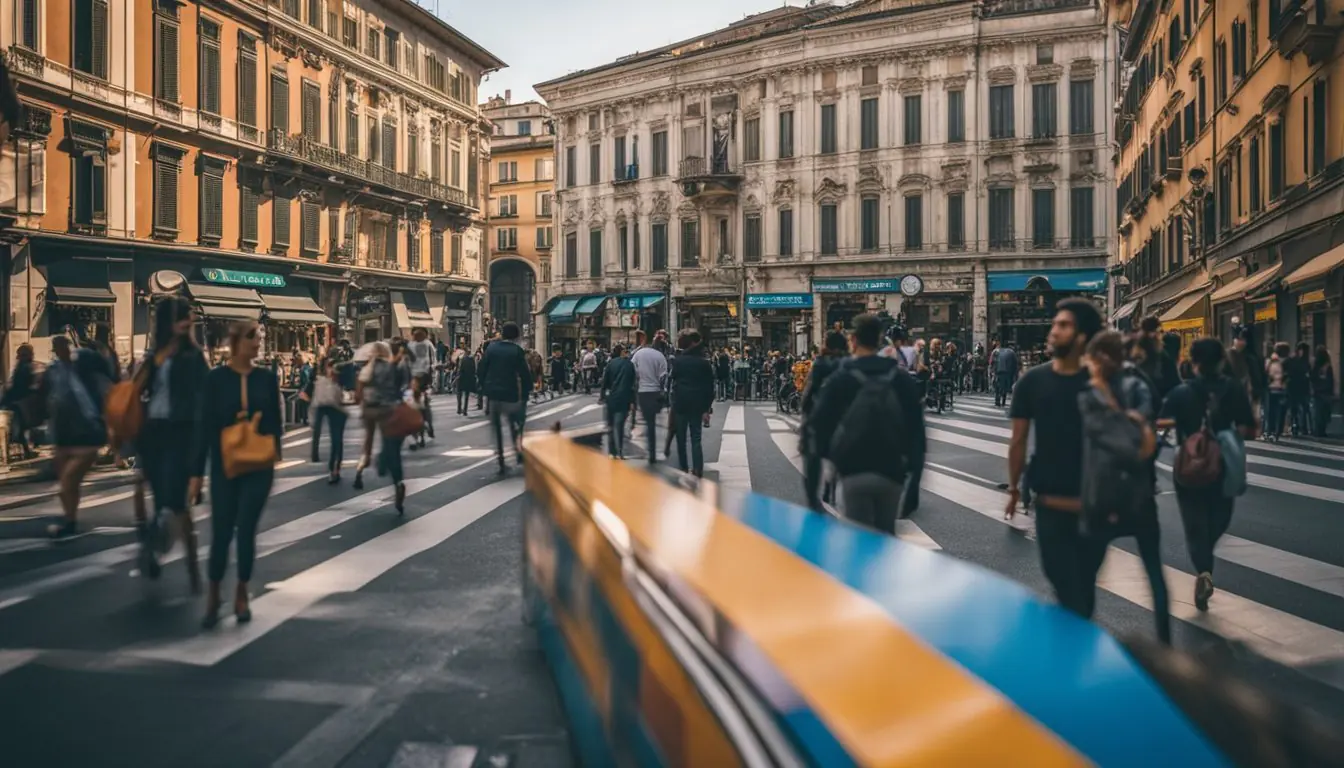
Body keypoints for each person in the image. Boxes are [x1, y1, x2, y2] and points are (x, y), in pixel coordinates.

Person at [1005, 298, 1106, 620]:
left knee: (1083, 589)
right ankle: (1078, 650)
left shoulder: (1104, 382)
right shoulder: (1032, 381)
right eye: (1055, 324)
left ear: (1082, 336)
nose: (1053, 331)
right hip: (1050, 504)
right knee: (1066, 586)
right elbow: (1018, 440)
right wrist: (1013, 489)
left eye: (1063, 326)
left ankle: (1075, 655)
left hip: (1095, 506)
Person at [190, 320, 282, 628]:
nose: (257, 343)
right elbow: (204, 426)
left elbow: (275, 423)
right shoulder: (215, 380)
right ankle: (214, 593)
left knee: (246, 530)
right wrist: (196, 473)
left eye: (260, 338)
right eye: (251, 338)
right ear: (234, 342)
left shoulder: (267, 378)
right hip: (224, 466)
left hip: (258, 466)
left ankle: (242, 592)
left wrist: (273, 455)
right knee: (220, 532)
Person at [1080, 330, 1170, 644]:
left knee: (1088, 573)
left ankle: (1078, 642)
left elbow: (1096, 434)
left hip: (1104, 495)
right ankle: (1165, 642)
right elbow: (1147, 426)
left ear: (1101, 358)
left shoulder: (1091, 394)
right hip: (1141, 491)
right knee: (1154, 572)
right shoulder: (1138, 385)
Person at [1158, 337, 1255, 611]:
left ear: (1194, 362)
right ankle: (1205, 560)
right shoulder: (1233, 389)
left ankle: (1204, 571)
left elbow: (1163, 420)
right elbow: (1250, 427)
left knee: (1194, 523)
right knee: (1219, 518)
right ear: (1222, 360)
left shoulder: (1181, 392)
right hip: (1223, 464)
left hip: (1189, 466)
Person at [809, 314, 926, 532]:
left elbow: (819, 426)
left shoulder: (841, 378)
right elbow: (917, 431)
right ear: (880, 340)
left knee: (858, 542)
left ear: (853, 340)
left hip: (853, 469)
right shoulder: (899, 378)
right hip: (892, 471)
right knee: (886, 537)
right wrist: (914, 482)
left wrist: (829, 468)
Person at [135, 295, 208, 586]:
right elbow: (137, 391)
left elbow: (204, 404)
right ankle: (154, 547)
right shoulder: (154, 357)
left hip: (182, 436)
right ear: (168, 321)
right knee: (153, 496)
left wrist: (199, 461)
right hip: (154, 435)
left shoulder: (194, 357)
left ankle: (187, 563)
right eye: (182, 316)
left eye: (189, 316)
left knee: (176, 505)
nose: (188, 321)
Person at [43, 335, 115, 539]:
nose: (58, 351)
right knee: (69, 485)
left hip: (88, 433)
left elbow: (104, 387)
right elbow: (52, 397)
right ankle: (70, 520)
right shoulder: (55, 370)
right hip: (64, 435)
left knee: (67, 482)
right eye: (55, 348)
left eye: (61, 347)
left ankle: (69, 522)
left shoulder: (85, 365)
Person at [799, 330, 849, 511]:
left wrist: (804, 411)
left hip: (819, 415)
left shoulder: (820, 363)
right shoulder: (847, 363)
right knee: (835, 454)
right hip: (841, 416)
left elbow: (810, 391)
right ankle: (830, 483)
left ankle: (813, 499)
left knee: (812, 457)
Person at [477, 322, 532, 473]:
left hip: (493, 395)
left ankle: (501, 460)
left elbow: (482, 368)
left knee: (496, 428)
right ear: (516, 336)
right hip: (511, 393)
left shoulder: (491, 348)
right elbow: (524, 373)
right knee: (514, 424)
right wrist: (527, 391)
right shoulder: (517, 351)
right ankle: (518, 452)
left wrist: (483, 386)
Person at [669, 331, 715, 477]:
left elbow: (672, 380)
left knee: (681, 438)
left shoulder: (678, 361)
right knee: (696, 438)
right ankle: (698, 469)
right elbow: (709, 387)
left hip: (681, 403)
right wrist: (707, 409)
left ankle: (683, 467)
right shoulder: (704, 363)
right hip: (698, 404)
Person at [631, 335, 670, 464]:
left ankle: (650, 450)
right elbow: (664, 377)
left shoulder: (639, 353)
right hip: (655, 392)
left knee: (648, 421)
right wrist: (663, 391)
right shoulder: (661, 357)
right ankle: (652, 450)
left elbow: (633, 372)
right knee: (652, 422)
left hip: (643, 392)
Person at [311, 358, 348, 484]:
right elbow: (315, 396)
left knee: (337, 440)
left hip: (338, 411)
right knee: (334, 438)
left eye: (333, 367)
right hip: (325, 407)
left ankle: (335, 469)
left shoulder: (341, 380)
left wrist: (337, 384)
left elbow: (345, 396)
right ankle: (333, 468)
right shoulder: (319, 380)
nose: (331, 370)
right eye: (329, 367)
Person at [1, 344, 39, 458]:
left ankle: (26, 450)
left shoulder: (20, 367)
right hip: (18, 401)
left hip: (15, 400)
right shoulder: (25, 367)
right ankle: (27, 450)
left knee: (21, 427)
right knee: (21, 426)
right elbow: (22, 386)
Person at [599, 344, 636, 459]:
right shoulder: (629, 365)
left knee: (610, 425)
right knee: (619, 425)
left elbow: (605, 382)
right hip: (624, 398)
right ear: (622, 352)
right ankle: (620, 451)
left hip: (611, 397)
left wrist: (602, 395)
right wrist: (632, 401)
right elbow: (632, 385)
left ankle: (612, 452)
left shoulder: (611, 364)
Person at [406, 328, 437, 450]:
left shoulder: (426, 345)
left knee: (423, 405)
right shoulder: (414, 345)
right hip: (415, 380)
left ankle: (428, 425)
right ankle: (422, 431)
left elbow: (433, 362)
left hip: (421, 380)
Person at [1264, 341, 1290, 441]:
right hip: (1282, 389)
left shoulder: (1270, 361)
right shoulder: (1287, 362)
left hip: (1271, 389)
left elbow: (1265, 374)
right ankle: (1277, 431)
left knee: (1271, 412)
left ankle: (1270, 431)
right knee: (1281, 411)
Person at [1310, 346, 1335, 437]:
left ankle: (1318, 430)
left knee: (1318, 413)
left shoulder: (1315, 366)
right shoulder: (1328, 367)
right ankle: (1322, 430)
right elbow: (1331, 381)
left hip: (1317, 393)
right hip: (1326, 393)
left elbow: (1312, 378)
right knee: (1325, 413)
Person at [993, 340, 1020, 407]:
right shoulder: (1012, 352)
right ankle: (1003, 402)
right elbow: (1015, 364)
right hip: (1007, 372)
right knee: (1004, 387)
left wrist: (993, 371)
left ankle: (997, 401)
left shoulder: (998, 351)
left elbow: (993, 361)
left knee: (998, 386)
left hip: (998, 371)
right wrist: (1015, 375)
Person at [455, 348, 478, 415]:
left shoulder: (460, 359)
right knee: (466, 396)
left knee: (459, 394)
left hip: (460, 378)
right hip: (468, 379)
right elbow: (474, 370)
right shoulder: (471, 360)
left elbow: (458, 369)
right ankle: (465, 410)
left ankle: (459, 408)